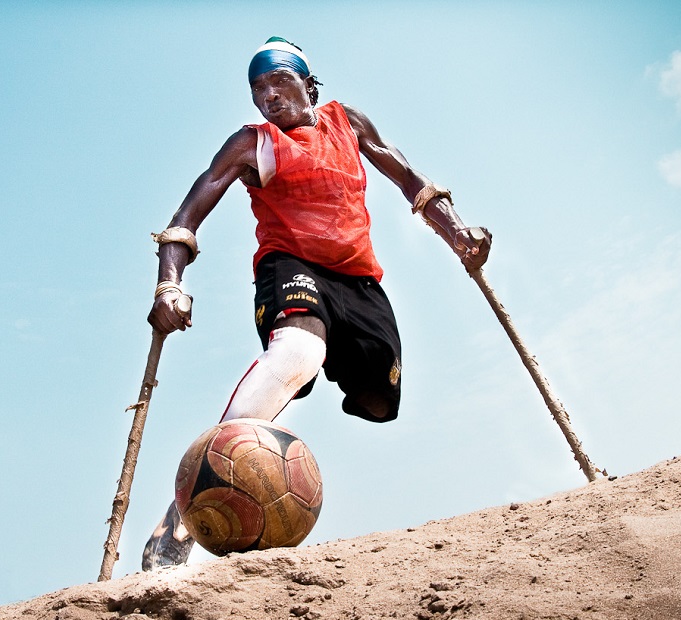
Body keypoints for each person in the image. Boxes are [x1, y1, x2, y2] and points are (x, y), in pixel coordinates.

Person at [142, 37, 492, 571]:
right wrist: (170, 284)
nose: (268, 96)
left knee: (379, 400)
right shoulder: (251, 144)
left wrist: (458, 233)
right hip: (290, 265)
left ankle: (319, 370)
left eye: (278, 81)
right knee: (297, 354)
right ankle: (180, 519)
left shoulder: (345, 122)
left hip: (357, 279)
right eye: (257, 88)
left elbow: (410, 181)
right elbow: (185, 217)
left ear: (308, 83)